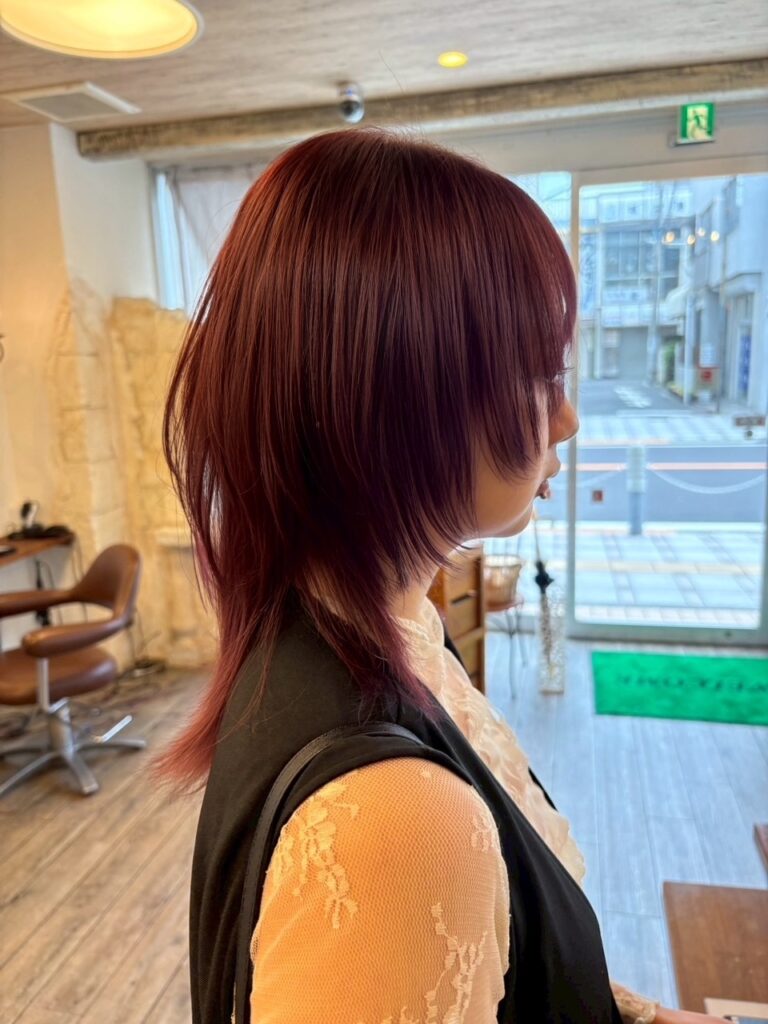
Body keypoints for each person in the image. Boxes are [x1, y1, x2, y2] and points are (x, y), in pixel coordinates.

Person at [153, 128, 729, 1024]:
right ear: (404, 399)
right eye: (542, 375)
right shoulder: (397, 824)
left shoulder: (361, 626)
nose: (568, 420)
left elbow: (509, 967)